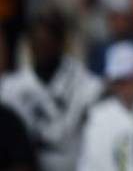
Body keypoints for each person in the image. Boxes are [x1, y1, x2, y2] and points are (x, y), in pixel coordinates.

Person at [0, 10, 103, 171]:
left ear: (60, 43)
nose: (42, 50)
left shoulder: (83, 81)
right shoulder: (11, 87)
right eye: (37, 43)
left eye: (48, 43)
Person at [78, 41, 133, 171]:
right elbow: (88, 164)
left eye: (127, 79)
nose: (122, 87)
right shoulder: (98, 117)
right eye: (118, 81)